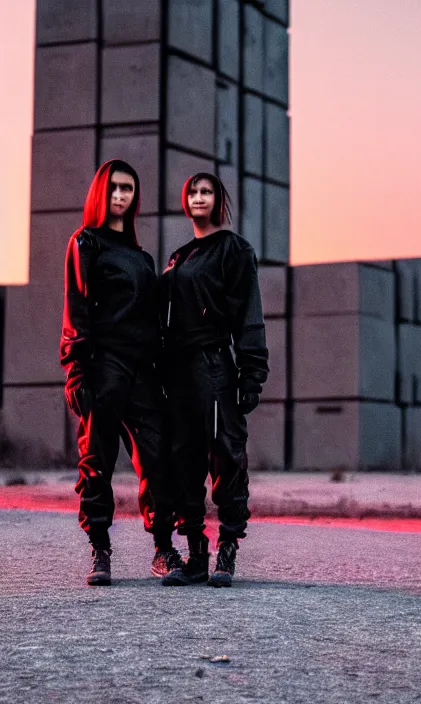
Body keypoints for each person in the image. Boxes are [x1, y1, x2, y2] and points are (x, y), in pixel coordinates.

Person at [60, 159, 181, 586]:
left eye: (128, 188)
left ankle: (164, 549)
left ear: (135, 197)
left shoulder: (141, 257)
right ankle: (99, 550)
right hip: (103, 366)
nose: (120, 195)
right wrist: (75, 368)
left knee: (157, 457)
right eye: (113, 188)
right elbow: (76, 309)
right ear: (101, 192)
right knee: (97, 461)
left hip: (143, 370)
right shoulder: (85, 243)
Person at [160, 172, 269, 588]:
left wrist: (252, 372)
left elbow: (249, 314)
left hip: (215, 365)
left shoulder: (234, 250)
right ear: (184, 201)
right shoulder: (179, 256)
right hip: (177, 371)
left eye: (207, 191)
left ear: (218, 200)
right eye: (193, 191)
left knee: (226, 455)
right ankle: (195, 553)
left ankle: (227, 549)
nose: (199, 197)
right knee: (183, 459)